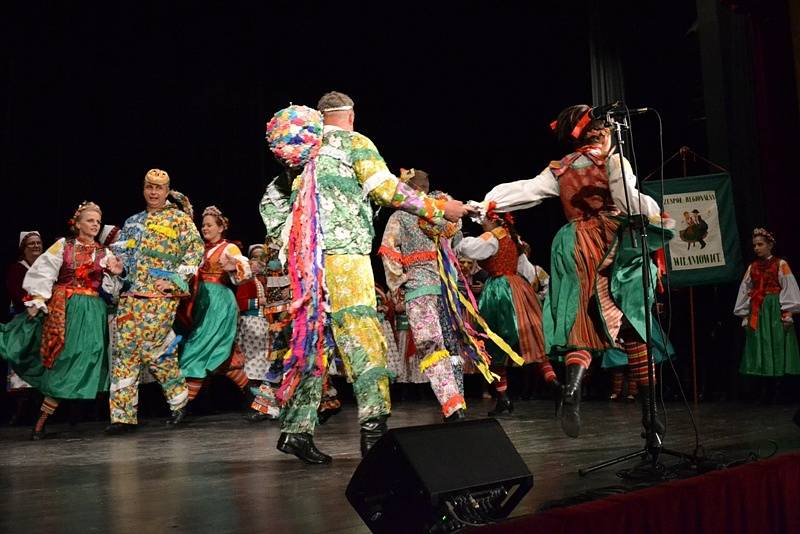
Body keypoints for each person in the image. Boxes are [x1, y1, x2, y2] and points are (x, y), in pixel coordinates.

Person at [265, 95, 472, 464]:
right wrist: (440, 207)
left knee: (313, 343)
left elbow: (271, 201)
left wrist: (286, 240)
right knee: (362, 335)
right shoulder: (354, 143)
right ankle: (374, 430)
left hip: (308, 264)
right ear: (350, 115)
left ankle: (296, 430)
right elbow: (385, 188)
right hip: (346, 258)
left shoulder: (304, 150)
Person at [475, 104, 673, 438]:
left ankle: (572, 388)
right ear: (603, 132)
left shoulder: (560, 168)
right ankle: (651, 416)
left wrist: (488, 202)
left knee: (583, 323)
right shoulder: (612, 160)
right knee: (633, 324)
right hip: (609, 241)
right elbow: (625, 196)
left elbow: (525, 191)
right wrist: (655, 215)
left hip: (571, 244)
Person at [106, 168, 204, 433]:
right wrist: (119, 269)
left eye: (158, 188)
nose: (153, 192)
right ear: (143, 188)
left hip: (160, 296)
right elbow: (123, 257)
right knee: (124, 353)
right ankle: (123, 417)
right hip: (130, 295)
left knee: (153, 349)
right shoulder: (132, 222)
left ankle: (179, 401)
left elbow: (196, 253)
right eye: (149, 187)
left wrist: (174, 280)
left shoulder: (179, 220)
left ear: (167, 190)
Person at [21, 202, 122, 439]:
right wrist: (37, 298)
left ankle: (79, 417)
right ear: (77, 223)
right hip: (68, 309)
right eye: (90, 220)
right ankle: (42, 420)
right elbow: (44, 271)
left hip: (94, 311)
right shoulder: (63, 246)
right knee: (66, 360)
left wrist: (116, 275)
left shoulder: (104, 253)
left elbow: (112, 291)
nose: (95, 224)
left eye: (98, 221)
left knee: (90, 358)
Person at [457, 210, 556, 415]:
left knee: (494, 342)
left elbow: (469, 249)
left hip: (498, 291)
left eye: (483, 220)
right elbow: (527, 270)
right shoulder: (513, 238)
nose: (481, 223)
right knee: (531, 339)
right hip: (519, 287)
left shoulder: (492, 237)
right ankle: (554, 384)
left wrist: (457, 236)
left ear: (493, 220)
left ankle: (503, 396)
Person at [177, 206, 252, 405]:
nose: (205, 228)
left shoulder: (229, 248)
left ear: (220, 228)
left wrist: (233, 267)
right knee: (221, 358)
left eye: (209, 225)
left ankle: (181, 407)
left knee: (196, 350)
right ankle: (258, 402)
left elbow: (245, 274)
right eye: (203, 225)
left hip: (219, 304)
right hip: (201, 304)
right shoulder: (199, 249)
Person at [733, 228, 800, 401]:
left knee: (777, 344)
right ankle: (765, 389)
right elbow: (745, 289)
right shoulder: (752, 267)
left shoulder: (781, 264)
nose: (756, 248)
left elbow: (788, 287)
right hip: (759, 310)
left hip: (774, 309)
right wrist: (744, 315)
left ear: (770, 245)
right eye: (754, 245)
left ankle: (780, 389)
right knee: (761, 345)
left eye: (760, 244)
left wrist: (788, 313)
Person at [2, 231, 45, 421]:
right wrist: (33, 302)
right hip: (25, 318)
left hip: (45, 318)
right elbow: (16, 293)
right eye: (31, 244)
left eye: (38, 243)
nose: (36, 246)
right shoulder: (17, 269)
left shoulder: (46, 267)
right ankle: (20, 410)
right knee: (23, 358)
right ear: (23, 248)